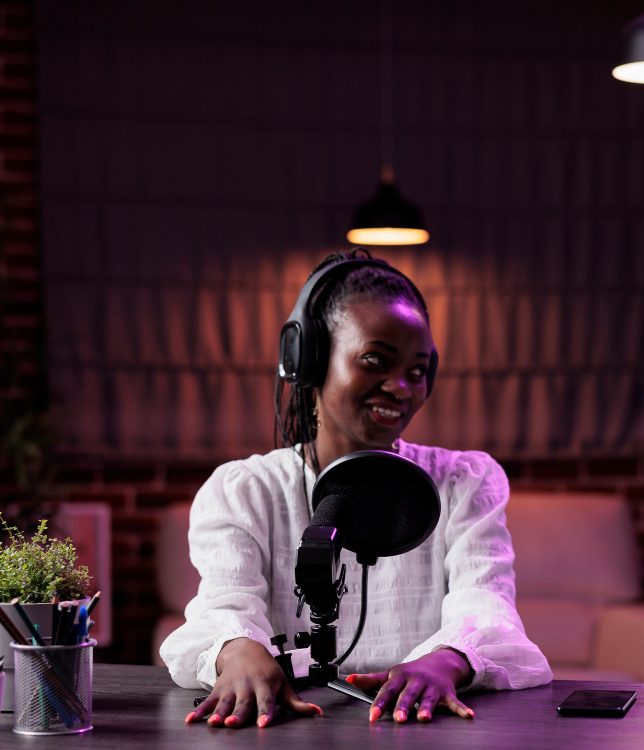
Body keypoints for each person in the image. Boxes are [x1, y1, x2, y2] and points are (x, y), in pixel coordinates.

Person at [160, 250, 552, 728]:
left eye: (416, 371)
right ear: (309, 362)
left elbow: (486, 605)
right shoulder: (243, 491)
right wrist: (237, 649)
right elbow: (225, 604)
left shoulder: (463, 482)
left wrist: (449, 658)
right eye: (374, 361)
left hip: (420, 729)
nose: (402, 388)